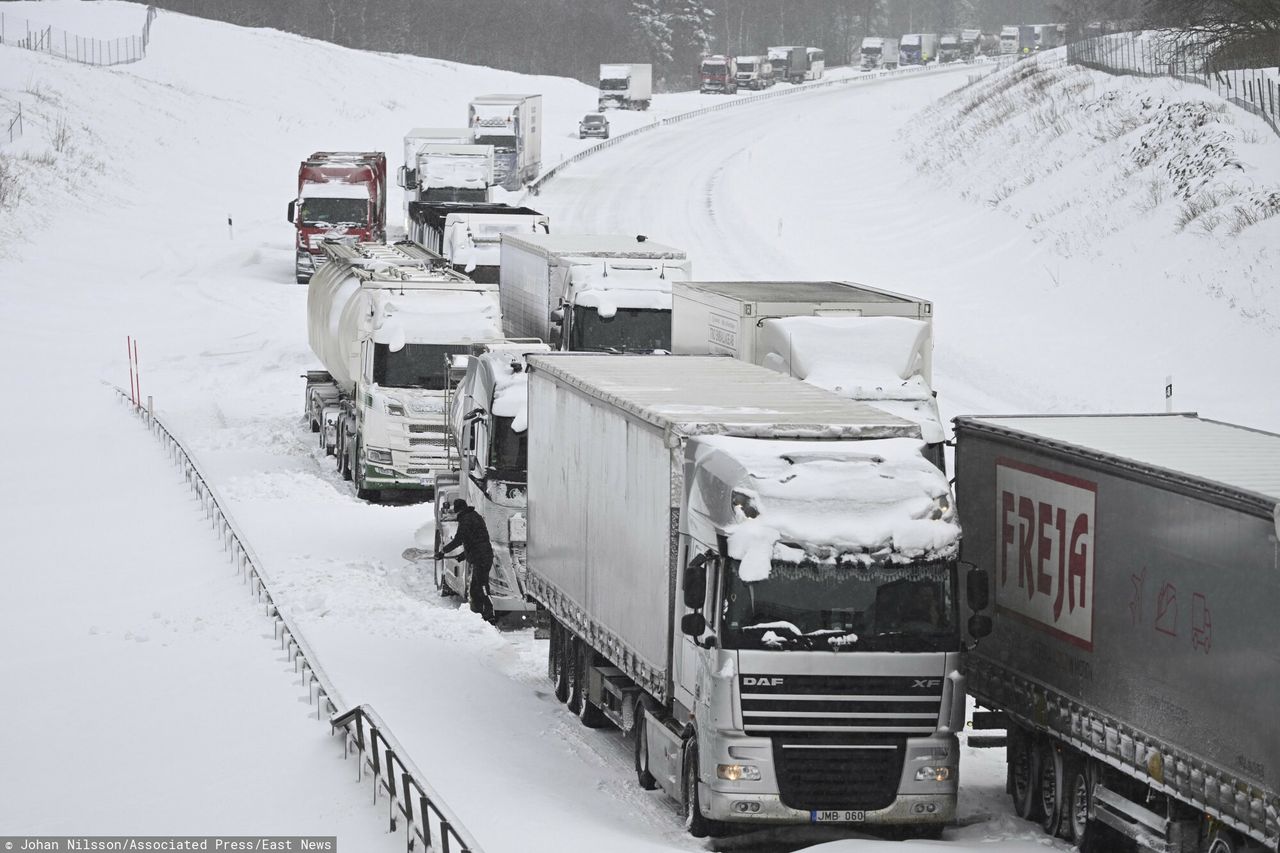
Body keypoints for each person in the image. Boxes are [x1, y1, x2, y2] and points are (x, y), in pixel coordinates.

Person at [436, 499, 496, 624]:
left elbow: (459, 540)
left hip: (481, 558)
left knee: (482, 586)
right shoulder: (475, 516)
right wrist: (463, 556)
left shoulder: (466, 520)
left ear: (459, 510)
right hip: (483, 554)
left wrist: (443, 552)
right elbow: (475, 541)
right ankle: (478, 614)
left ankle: (489, 614)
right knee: (475, 587)